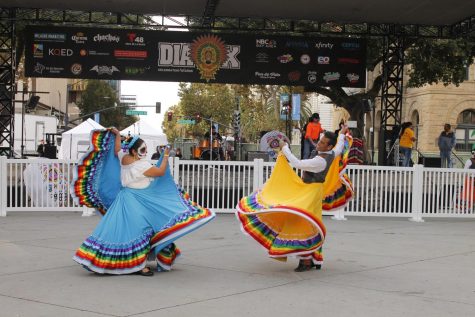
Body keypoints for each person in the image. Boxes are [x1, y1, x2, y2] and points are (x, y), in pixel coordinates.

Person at [72, 128, 215, 276]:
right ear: (134, 151)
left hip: (125, 198)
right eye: (142, 149)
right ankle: (139, 265)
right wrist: (165, 156)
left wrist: (116, 134)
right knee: (139, 230)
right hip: (135, 201)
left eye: (146, 149)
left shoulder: (124, 159)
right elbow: (159, 172)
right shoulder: (141, 165)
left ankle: (118, 261)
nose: (145, 152)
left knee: (121, 231)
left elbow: (116, 149)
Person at [236, 127, 348, 272]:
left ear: (329, 146)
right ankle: (312, 258)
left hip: (310, 192)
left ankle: (306, 261)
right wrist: (342, 134)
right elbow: (339, 147)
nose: (318, 143)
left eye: (322, 142)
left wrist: (285, 148)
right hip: (312, 191)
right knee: (308, 223)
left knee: (302, 223)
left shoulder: (320, 161)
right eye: (320, 140)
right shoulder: (331, 153)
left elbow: (298, 164)